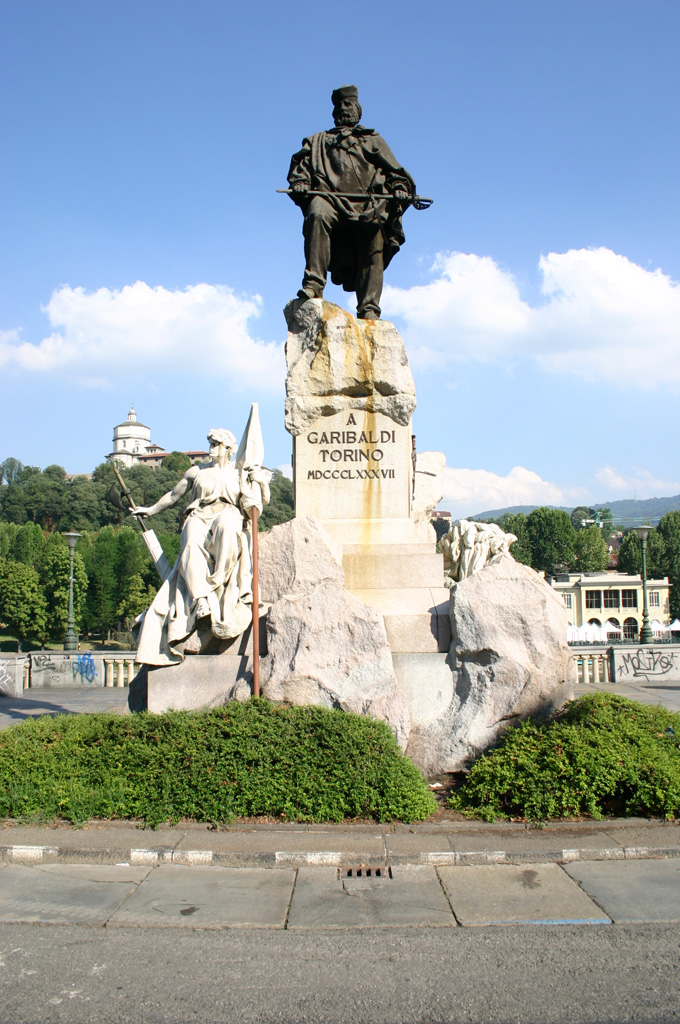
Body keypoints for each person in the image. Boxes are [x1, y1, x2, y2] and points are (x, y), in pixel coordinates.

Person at [131, 428, 270, 666]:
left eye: (216, 444)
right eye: (210, 443)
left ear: (229, 449)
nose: (211, 448)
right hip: (200, 514)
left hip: (228, 513)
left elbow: (259, 502)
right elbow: (173, 495)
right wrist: (150, 510)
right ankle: (201, 599)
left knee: (228, 527)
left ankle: (219, 587)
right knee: (191, 539)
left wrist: (261, 483)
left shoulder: (239, 474)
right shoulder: (197, 471)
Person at [287, 85, 416, 319]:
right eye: (339, 105)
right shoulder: (318, 141)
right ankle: (313, 284)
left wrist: (399, 187)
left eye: (348, 104)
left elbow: (396, 173)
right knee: (317, 211)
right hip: (329, 198)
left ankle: (369, 307)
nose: (343, 109)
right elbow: (301, 167)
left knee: (374, 233)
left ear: (358, 109)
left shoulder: (372, 139)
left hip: (367, 204)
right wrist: (301, 182)